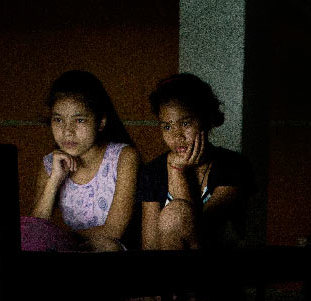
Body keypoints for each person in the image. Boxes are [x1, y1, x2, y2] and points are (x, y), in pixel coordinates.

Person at [25, 71, 141, 252]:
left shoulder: (124, 157)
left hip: (111, 249)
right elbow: (34, 232)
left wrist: (61, 239)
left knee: (106, 246)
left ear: (101, 122)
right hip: (71, 250)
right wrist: (54, 180)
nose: (67, 131)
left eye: (79, 120)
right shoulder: (50, 163)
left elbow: (113, 231)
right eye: (58, 120)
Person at [138, 73, 255, 250]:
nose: (177, 136)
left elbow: (200, 231)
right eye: (167, 127)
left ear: (206, 120)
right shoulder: (152, 171)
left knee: (176, 214)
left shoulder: (234, 166)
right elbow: (151, 247)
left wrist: (178, 171)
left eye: (185, 123)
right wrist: (174, 168)